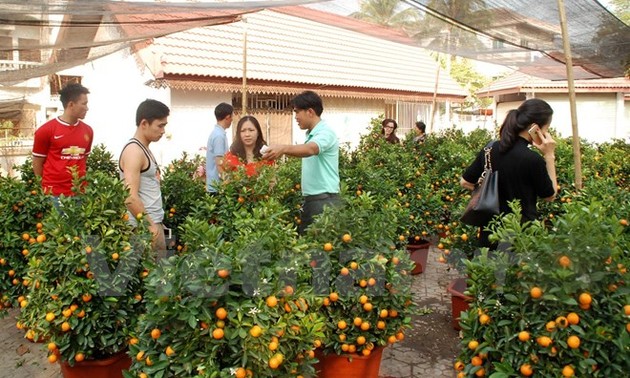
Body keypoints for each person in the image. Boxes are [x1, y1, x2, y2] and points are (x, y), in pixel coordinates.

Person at [460, 98, 558, 248]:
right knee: (514, 271)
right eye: (546, 129)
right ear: (535, 129)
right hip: (520, 234)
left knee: (488, 269)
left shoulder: (490, 148)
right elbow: (550, 196)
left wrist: (491, 192)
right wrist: (549, 155)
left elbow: (465, 182)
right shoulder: (533, 159)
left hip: (490, 230)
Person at [262, 91, 339, 234]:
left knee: (317, 251)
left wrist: (283, 148)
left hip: (324, 201)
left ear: (310, 111)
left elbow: (311, 149)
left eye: (297, 112)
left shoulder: (325, 133)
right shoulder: (312, 133)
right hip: (314, 200)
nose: (295, 117)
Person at [119, 99, 170, 257]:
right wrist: (151, 227)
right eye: (160, 125)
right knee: (154, 277)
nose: (163, 131)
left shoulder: (144, 149)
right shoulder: (134, 151)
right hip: (143, 228)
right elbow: (129, 197)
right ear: (144, 123)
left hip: (152, 222)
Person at [32, 83, 93, 197]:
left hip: (80, 194)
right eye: (84, 104)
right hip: (54, 196)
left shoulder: (88, 131)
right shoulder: (46, 130)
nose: (87, 108)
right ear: (71, 104)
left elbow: (83, 160)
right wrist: (44, 190)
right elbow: (37, 163)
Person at [206, 102, 234, 193]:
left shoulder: (217, 133)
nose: (232, 120)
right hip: (217, 188)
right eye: (232, 117)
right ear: (227, 117)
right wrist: (228, 183)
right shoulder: (219, 136)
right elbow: (220, 163)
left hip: (214, 186)